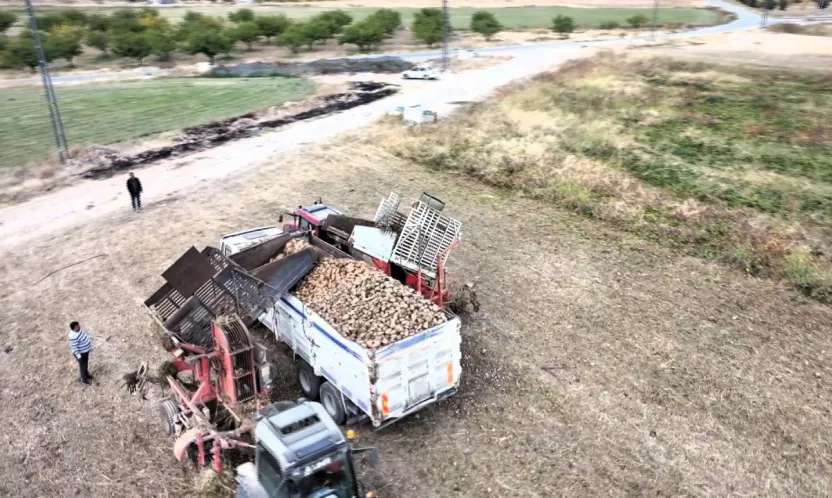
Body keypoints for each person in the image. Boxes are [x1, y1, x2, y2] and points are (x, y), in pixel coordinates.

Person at [68, 321, 93, 385]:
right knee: (83, 367)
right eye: (77, 326)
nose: (79, 327)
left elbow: (84, 336)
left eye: (78, 325)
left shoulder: (78, 331)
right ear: (73, 328)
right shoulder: (73, 336)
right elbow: (74, 348)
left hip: (85, 351)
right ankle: (84, 380)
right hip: (81, 354)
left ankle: (87, 375)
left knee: (85, 364)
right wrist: (79, 357)